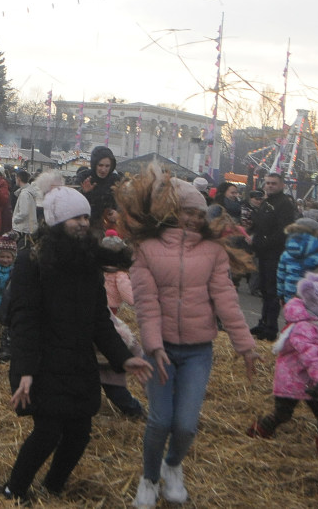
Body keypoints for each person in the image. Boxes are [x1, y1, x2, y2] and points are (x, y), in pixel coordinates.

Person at [0, 183, 151, 502]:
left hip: (79, 361)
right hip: (43, 360)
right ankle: (15, 489)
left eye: (85, 216)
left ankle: (53, 486)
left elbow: (99, 320)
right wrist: (25, 370)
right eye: (74, 217)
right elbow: (25, 317)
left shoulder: (88, 260)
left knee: (79, 434)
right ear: (56, 221)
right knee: (48, 431)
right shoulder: (33, 261)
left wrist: (123, 358)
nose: (82, 222)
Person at [121, 169, 258, 507]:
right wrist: (153, 345)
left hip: (198, 350)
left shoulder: (212, 252)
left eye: (199, 213)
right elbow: (146, 304)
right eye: (188, 212)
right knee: (159, 420)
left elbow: (226, 300)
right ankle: (149, 479)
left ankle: (172, 466)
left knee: (185, 425)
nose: (195, 219)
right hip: (160, 348)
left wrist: (246, 346)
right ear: (172, 212)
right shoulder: (146, 249)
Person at [247, 274, 318, 465]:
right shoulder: (304, 329)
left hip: (314, 380)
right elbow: (312, 357)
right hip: (294, 379)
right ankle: (258, 431)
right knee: (283, 414)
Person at [248, 172, 297, 341]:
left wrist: (263, 243)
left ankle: (270, 327)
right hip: (264, 251)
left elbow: (284, 230)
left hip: (275, 253)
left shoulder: (284, 204)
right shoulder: (267, 202)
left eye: (273, 183)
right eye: (267, 183)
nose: (269, 185)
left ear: (282, 185)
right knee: (264, 290)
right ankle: (264, 322)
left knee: (272, 291)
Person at [277, 218, 318, 303]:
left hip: (290, 296)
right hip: (312, 298)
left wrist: (280, 294)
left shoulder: (287, 253)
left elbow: (281, 275)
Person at [79, 145, 120, 233]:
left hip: (109, 227)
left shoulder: (116, 180)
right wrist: (85, 192)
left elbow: (124, 202)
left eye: (107, 166)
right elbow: (74, 204)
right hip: (86, 226)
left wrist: (118, 213)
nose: (103, 170)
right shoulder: (84, 177)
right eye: (100, 165)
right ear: (94, 164)